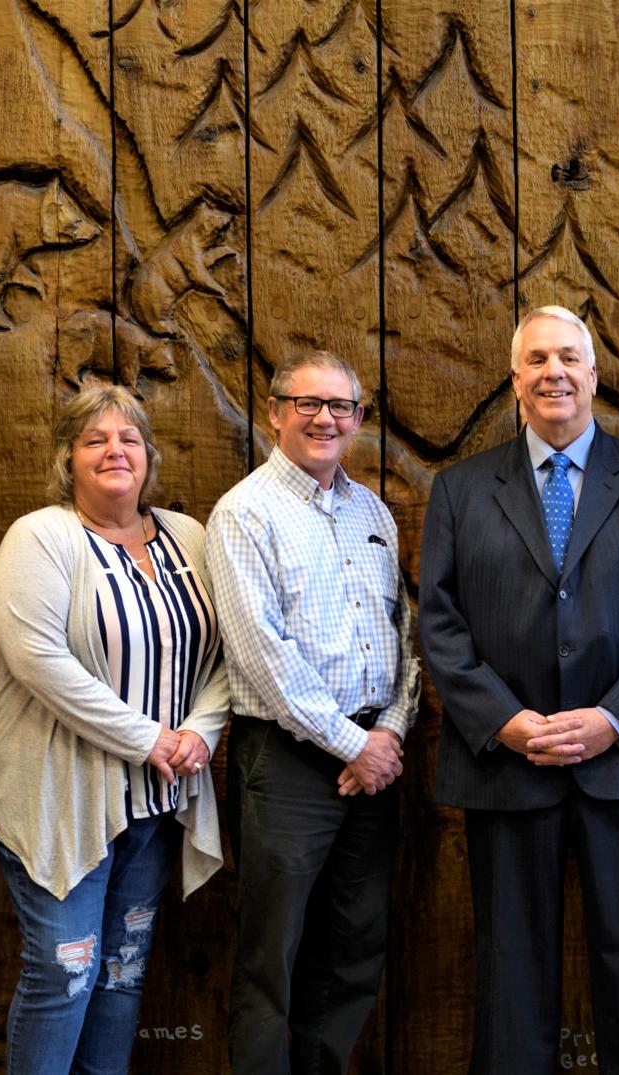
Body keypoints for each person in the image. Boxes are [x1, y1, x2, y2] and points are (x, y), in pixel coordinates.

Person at [419, 306, 619, 1074]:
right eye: (537, 358)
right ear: (515, 380)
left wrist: (615, 719)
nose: (555, 371)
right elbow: (439, 625)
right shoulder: (459, 490)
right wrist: (506, 722)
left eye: (569, 357)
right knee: (512, 981)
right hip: (507, 768)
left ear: (593, 375)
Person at [0, 385, 230, 1074]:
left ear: (149, 455)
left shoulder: (191, 536)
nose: (116, 450)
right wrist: (150, 738)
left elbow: (227, 649)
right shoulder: (42, 535)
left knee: (120, 971)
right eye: (96, 440)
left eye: (129, 439)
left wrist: (202, 731)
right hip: (59, 796)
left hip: (153, 800)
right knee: (66, 974)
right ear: (69, 459)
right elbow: (37, 660)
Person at [205, 351, 419, 1074]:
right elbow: (262, 653)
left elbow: (404, 632)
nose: (325, 417)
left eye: (342, 406)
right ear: (274, 411)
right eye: (308, 402)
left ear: (358, 419)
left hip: (374, 760)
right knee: (274, 954)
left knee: (354, 943)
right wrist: (351, 743)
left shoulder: (373, 511)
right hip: (291, 758)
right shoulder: (244, 512)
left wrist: (388, 730)